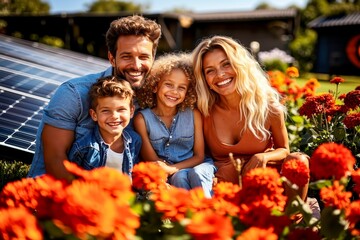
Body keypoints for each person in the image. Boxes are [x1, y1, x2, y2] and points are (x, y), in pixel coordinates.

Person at [27, 15, 161, 182]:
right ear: (112, 58)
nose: (136, 65)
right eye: (127, 56)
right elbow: (55, 160)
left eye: (143, 57)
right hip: (57, 191)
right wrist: (91, 201)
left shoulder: (154, 98)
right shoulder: (73, 94)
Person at [192, 35, 309, 201]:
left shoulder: (269, 108)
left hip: (263, 182)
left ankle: (294, 217)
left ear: (240, 65)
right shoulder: (203, 111)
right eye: (210, 70)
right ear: (204, 78)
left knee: (299, 160)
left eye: (226, 64)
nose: (220, 74)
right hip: (223, 187)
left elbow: (284, 150)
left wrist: (263, 156)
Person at [134, 52, 216, 198]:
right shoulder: (142, 119)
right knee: (179, 177)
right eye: (168, 84)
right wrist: (171, 171)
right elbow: (154, 162)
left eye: (181, 87)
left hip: (198, 166)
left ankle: (209, 212)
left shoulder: (193, 114)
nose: (174, 91)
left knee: (195, 173)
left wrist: (172, 168)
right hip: (169, 172)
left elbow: (199, 156)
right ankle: (188, 214)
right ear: (155, 86)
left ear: (188, 91)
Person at [68, 76, 141, 178]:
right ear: (94, 115)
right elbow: (72, 178)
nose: (114, 116)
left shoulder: (135, 141)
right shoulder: (85, 147)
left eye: (121, 109)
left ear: (131, 111)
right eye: (106, 110)